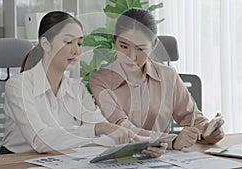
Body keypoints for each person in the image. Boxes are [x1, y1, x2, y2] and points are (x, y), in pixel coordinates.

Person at [0, 11, 167, 157]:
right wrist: (97, 129)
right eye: (68, 42)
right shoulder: (18, 86)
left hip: (60, 159)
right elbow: (39, 140)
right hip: (15, 161)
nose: (76, 50)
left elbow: (105, 134)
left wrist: (146, 143)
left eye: (79, 43)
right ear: (46, 44)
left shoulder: (76, 88)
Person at [90, 8, 224, 150]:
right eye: (124, 46)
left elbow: (193, 119)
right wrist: (171, 141)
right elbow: (124, 129)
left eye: (140, 49)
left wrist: (208, 132)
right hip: (118, 158)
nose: (131, 56)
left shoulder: (168, 76)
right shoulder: (100, 80)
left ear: (154, 45)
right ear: (114, 40)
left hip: (163, 159)